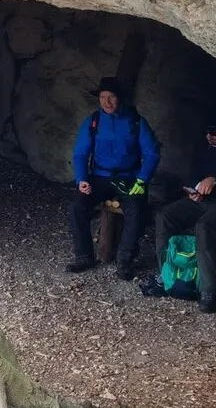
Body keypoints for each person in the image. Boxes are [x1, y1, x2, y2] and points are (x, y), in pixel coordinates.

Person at [142, 112, 216, 313]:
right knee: (166, 216)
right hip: (205, 201)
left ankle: (208, 290)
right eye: (206, 133)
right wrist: (195, 190)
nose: (209, 136)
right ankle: (168, 275)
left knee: (204, 227)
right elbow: (194, 174)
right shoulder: (203, 147)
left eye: (214, 132)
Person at [66, 77, 161, 281]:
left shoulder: (136, 121)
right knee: (77, 207)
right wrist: (82, 179)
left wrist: (142, 180)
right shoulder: (94, 121)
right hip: (99, 177)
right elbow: (81, 153)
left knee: (135, 210)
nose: (106, 102)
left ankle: (125, 261)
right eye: (102, 97)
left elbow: (152, 154)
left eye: (111, 97)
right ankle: (84, 256)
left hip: (129, 178)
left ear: (120, 99)